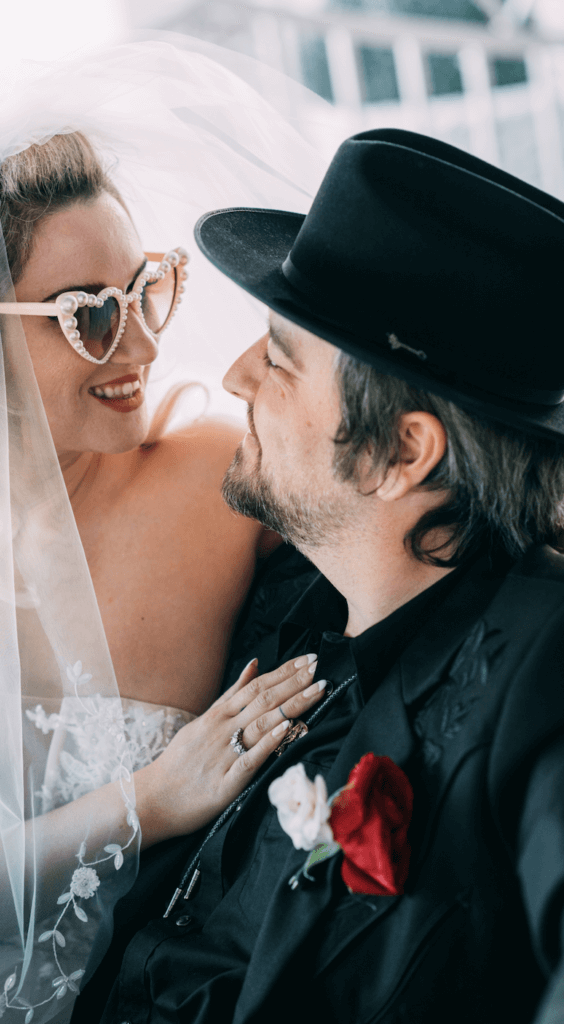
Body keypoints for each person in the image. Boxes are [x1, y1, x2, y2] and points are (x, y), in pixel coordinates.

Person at [0, 43, 329, 1024]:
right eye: (86, 315)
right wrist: (145, 802)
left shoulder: (214, 475)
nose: (143, 344)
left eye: (145, 288)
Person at [74, 127, 564, 1024]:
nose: (231, 376)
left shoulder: (543, 662)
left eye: (278, 361)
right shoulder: (284, 594)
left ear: (400, 454)